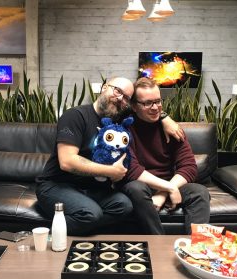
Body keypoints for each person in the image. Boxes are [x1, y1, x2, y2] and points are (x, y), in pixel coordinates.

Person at [36, 77, 183, 236]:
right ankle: (49, 236)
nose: (120, 98)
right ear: (104, 87)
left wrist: (164, 118)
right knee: (91, 214)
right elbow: (67, 162)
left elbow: (148, 107)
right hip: (57, 185)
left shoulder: (117, 118)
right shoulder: (75, 116)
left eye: (126, 98)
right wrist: (110, 171)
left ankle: (87, 233)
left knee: (124, 206)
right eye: (117, 91)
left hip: (90, 189)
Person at [120, 77, 210, 235]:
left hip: (170, 184)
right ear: (134, 106)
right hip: (142, 185)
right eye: (148, 103)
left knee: (199, 192)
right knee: (135, 188)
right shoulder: (124, 129)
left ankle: (197, 249)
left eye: (158, 101)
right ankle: (158, 243)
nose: (155, 108)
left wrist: (165, 191)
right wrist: (168, 188)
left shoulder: (172, 129)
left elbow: (189, 167)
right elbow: (132, 170)